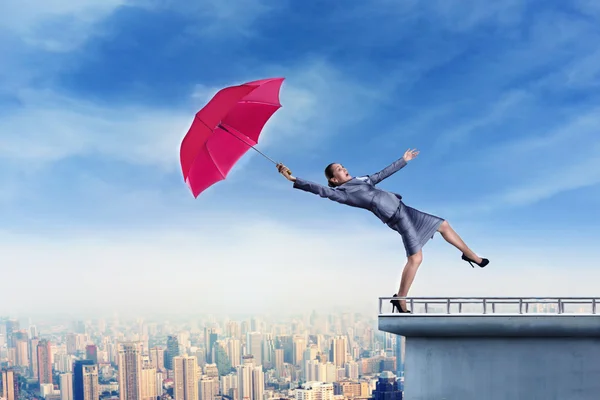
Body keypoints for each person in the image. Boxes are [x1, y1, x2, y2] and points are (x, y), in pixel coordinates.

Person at [276, 148, 489, 313]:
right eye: (338, 169)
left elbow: (382, 174)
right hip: (397, 217)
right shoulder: (343, 193)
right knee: (416, 259)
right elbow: (320, 190)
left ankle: (471, 256)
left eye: (342, 166)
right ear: (334, 179)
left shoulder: (362, 180)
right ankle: (400, 298)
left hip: (405, 209)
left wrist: (403, 160)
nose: (343, 168)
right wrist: (294, 179)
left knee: (443, 224)